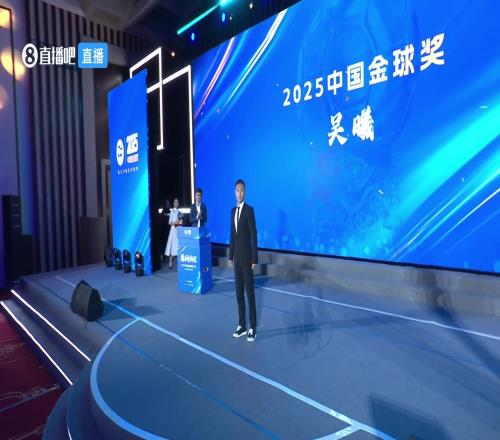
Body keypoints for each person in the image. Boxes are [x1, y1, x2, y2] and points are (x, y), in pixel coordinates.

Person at [229, 179, 258, 342]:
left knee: (250, 293)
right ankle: (242, 325)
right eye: (237, 190)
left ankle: (252, 327)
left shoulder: (249, 210)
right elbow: (232, 234)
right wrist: (230, 255)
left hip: (247, 260)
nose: (240, 193)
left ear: (245, 192)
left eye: (242, 190)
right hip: (237, 260)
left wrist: (254, 258)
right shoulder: (233, 211)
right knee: (239, 293)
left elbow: (254, 235)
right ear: (235, 192)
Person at [165, 198, 182, 269]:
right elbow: (169, 223)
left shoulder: (179, 212)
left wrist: (180, 223)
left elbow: (180, 221)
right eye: (175, 202)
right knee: (172, 246)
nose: (176, 203)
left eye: (177, 202)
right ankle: (170, 262)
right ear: (173, 203)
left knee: (178, 245)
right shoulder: (172, 211)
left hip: (178, 230)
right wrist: (175, 222)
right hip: (173, 230)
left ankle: (179, 263)